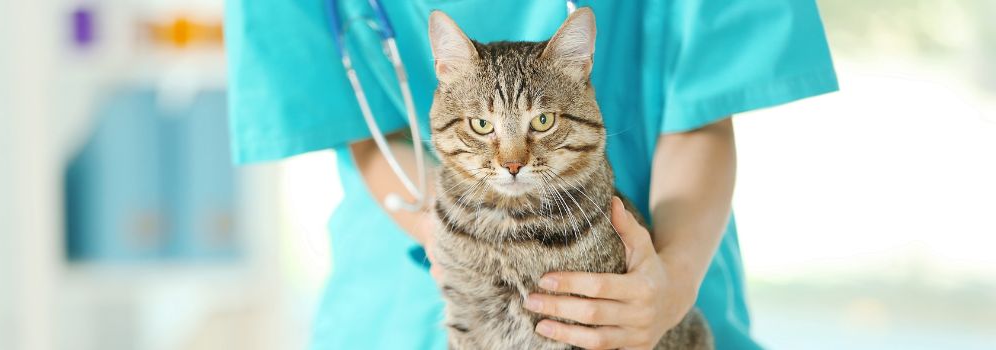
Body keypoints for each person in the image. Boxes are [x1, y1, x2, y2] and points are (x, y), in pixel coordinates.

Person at [224, 0, 837, 349]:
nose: (514, 157)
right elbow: (359, 114)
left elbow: (707, 96)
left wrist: (669, 289)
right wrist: (449, 231)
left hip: (658, 260)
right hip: (396, 306)